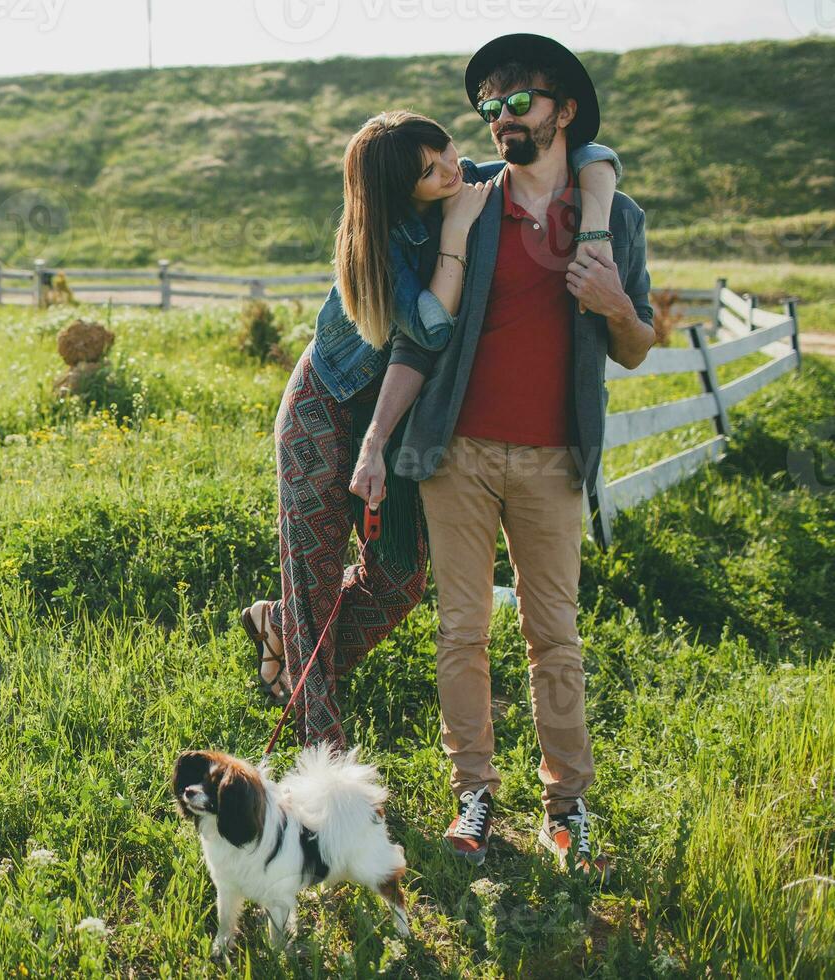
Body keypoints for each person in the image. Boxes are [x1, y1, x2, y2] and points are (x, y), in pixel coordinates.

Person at [349, 33, 656, 875]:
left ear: (562, 109)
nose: (499, 118)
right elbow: (419, 339)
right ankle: (474, 795)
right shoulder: (468, 209)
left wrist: (615, 304)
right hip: (459, 455)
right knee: (463, 632)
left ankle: (568, 808)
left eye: (518, 101)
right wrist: (378, 441)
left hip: (557, 460)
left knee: (554, 636)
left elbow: (635, 347)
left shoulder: (614, 218)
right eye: (488, 105)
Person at [239, 108, 624, 753]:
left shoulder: (462, 182)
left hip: (396, 421)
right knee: (314, 577)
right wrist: (455, 233)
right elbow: (428, 330)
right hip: (325, 410)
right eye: (429, 169)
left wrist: (595, 224)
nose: (450, 168)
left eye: (445, 149)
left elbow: (593, 152)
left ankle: (283, 633)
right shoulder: (380, 243)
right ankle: (323, 752)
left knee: (398, 580)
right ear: (398, 189)